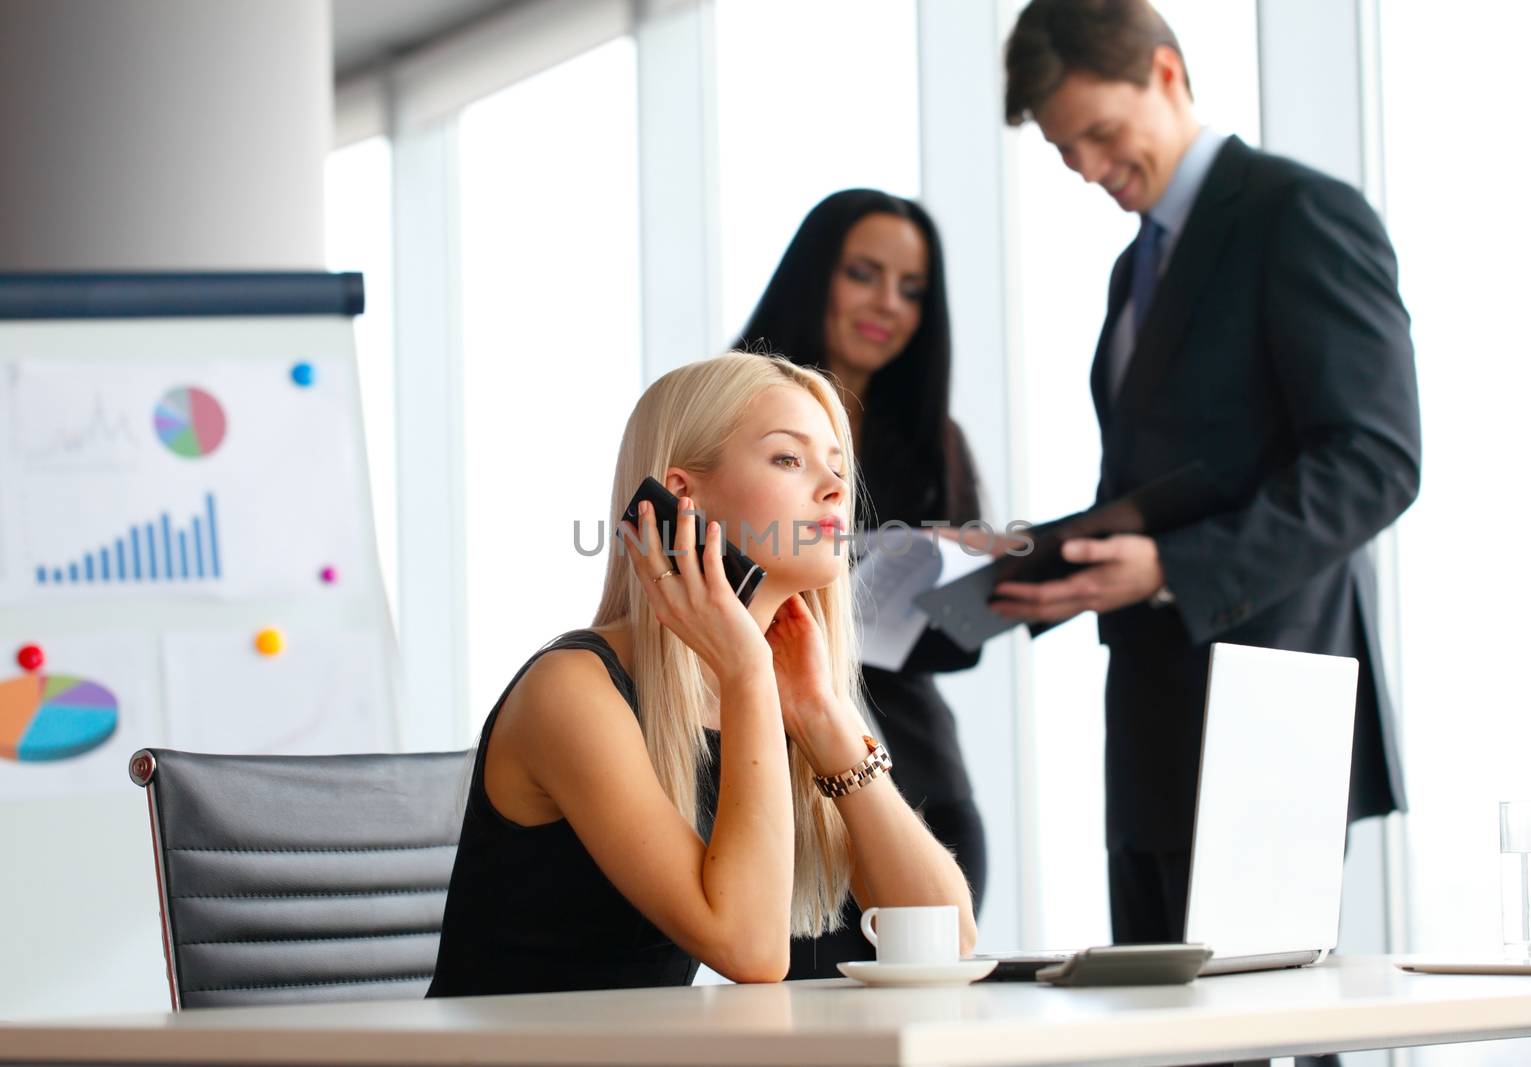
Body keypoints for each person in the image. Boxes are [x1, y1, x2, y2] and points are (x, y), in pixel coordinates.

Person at [993, 0, 1422, 958]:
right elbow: (1179, 479)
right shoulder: (1132, 269)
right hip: (1152, 714)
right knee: (1163, 1032)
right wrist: (1024, 554)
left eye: (1100, 135)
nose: (1092, 172)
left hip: (1269, 709)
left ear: (1168, 74)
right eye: (1067, 152)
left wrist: (1171, 568)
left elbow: (1377, 460)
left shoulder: (1299, 214)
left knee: (1259, 1030)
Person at [427, 352, 977, 997]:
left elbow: (947, 938)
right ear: (681, 496)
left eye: (835, 465)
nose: (834, 488)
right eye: (788, 459)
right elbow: (750, 949)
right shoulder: (573, 689)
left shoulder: (788, 688)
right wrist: (746, 672)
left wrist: (822, 715)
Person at [736, 189, 988, 979]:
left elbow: (958, 643)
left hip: (916, 773)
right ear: (818, 276)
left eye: (912, 289)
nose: (889, 304)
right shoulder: (729, 415)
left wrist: (959, 581)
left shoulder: (933, 441)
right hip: (781, 777)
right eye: (865, 274)